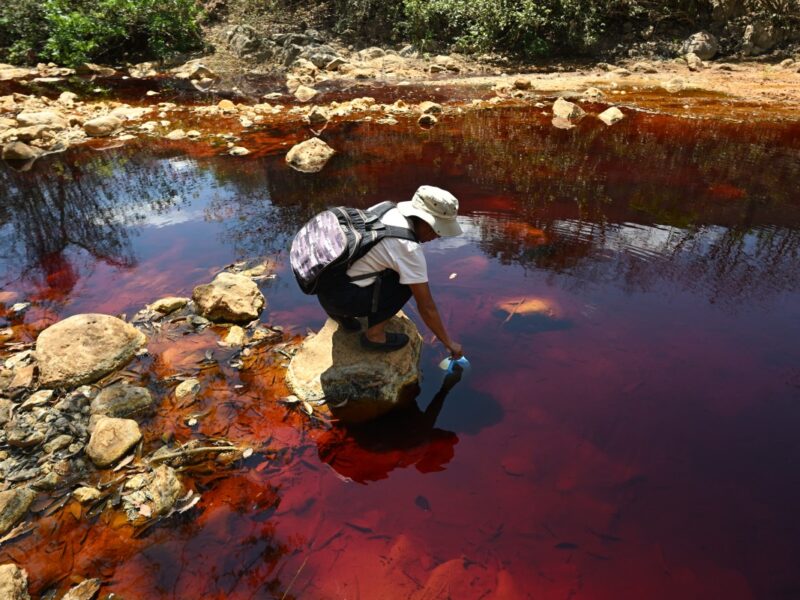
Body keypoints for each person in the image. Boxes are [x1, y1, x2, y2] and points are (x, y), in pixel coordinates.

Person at [316, 185, 464, 358]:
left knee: (387, 267)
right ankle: (375, 336)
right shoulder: (408, 247)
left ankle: (344, 319)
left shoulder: (386, 208)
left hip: (324, 288)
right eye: (437, 229)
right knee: (409, 283)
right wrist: (449, 343)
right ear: (424, 221)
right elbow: (426, 306)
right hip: (341, 300)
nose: (437, 236)